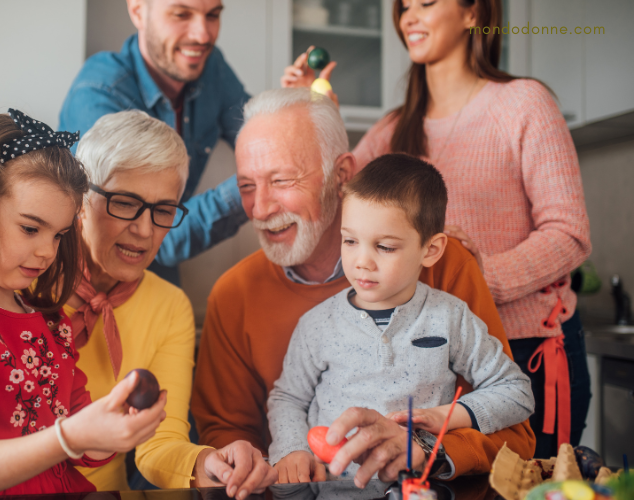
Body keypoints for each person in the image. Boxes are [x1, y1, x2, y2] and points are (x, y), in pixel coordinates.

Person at [0, 111, 276, 499]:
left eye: (163, 210)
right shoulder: (18, 281)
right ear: (83, 203)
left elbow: (153, 442)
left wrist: (204, 462)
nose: (144, 229)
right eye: (125, 203)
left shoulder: (54, 308)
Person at [191, 88, 535, 489]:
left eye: (282, 180)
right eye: (246, 186)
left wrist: (426, 448)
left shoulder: (446, 268)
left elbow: (516, 434)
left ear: (341, 175)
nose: (261, 207)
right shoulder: (233, 295)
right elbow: (228, 438)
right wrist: (269, 462)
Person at [347, 0, 592, 458]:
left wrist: (479, 277)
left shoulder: (524, 103)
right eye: (403, 7)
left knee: (533, 483)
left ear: (472, 13)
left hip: (525, 349)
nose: (409, 17)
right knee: (448, 482)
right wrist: (313, 106)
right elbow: (336, 202)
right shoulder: (392, 130)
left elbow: (569, 232)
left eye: (425, 3)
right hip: (434, 358)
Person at [267, 154, 535, 480]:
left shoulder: (451, 317)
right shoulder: (316, 325)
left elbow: (516, 392)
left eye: (385, 247)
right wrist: (291, 450)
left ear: (431, 250)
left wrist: (446, 417)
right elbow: (288, 398)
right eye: (350, 240)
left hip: (422, 488)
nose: (362, 261)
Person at [60, 0, 252, 284]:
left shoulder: (211, 67)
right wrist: (254, 185)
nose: (202, 35)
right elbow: (162, 237)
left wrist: (290, 115)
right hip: (86, 277)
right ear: (138, 11)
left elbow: (257, 132)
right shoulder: (99, 92)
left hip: (156, 270)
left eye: (212, 15)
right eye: (181, 14)